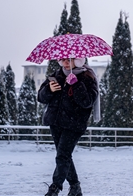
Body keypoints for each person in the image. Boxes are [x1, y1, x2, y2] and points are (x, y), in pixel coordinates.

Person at [38, 57, 99, 196]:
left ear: (78, 61)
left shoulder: (87, 77)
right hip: (55, 122)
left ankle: (55, 187)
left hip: (74, 124)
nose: (65, 62)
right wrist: (49, 89)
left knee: (62, 156)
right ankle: (75, 187)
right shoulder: (56, 75)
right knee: (65, 156)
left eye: (70, 59)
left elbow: (87, 102)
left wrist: (76, 85)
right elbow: (41, 97)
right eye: (63, 59)